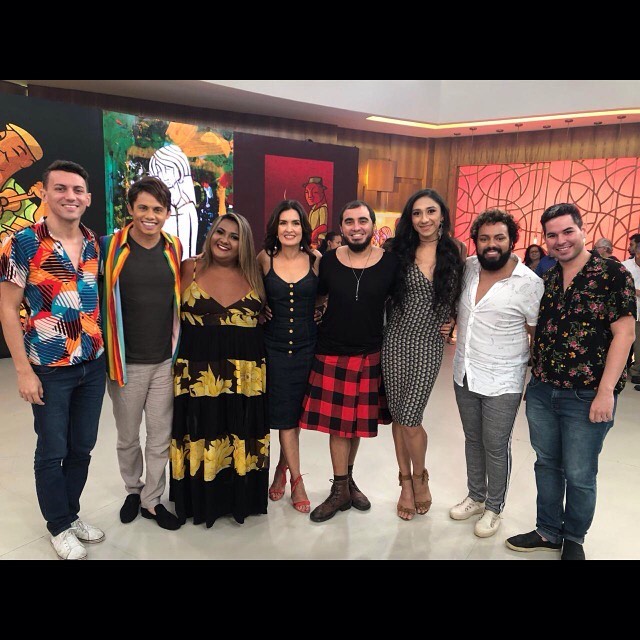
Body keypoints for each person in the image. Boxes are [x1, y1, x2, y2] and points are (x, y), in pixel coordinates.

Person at [506, 203, 636, 560]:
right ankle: (548, 531)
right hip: (543, 389)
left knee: (579, 473)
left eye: (568, 231)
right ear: (545, 239)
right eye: (552, 235)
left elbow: (624, 334)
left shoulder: (612, 273)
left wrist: (605, 392)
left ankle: (574, 538)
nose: (560, 240)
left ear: (582, 230)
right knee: (547, 463)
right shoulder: (547, 278)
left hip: (587, 394)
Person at [0, 160, 106, 560]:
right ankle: (59, 526)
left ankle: (70, 514)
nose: (69, 196)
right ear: (44, 193)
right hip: (49, 367)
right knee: (52, 449)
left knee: (83, 446)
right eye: (60, 188)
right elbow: (7, 308)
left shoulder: (94, 243)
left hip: (92, 363)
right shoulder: (22, 243)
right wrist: (23, 371)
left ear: (88, 198)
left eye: (77, 190)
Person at [299, 200, 398, 523]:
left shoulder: (390, 263)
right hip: (331, 350)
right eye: (349, 221)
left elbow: (404, 303)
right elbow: (316, 295)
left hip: (370, 352)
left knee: (354, 424)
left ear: (372, 225)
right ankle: (340, 487)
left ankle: (346, 481)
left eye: (362, 221)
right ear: (341, 227)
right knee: (339, 427)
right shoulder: (328, 261)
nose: (356, 227)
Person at [170, 212, 269, 527]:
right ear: (210, 233)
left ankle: (240, 498)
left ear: (244, 243)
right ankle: (199, 499)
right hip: (197, 373)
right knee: (201, 431)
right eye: (220, 232)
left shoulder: (256, 274)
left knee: (240, 433)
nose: (225, 240)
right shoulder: (189, 268)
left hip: (245, 376)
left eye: (235, 237)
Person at [449, 209, 544, 537]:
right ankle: (476, 496)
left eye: (499, 238)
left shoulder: (529, 283)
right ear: (475, 241)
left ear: (512, 240)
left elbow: (535, 334)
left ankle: (493, 507)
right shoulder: (469, 269)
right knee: (472, 439)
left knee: (495, 444)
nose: (491, 244)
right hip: (465, 372)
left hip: (504, 379)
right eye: (484, 238)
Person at [101, 177, 183, 530]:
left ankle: (152, 499)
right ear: (130, 209)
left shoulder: (173, 247)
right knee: (128, 437)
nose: (150, 216)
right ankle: (132, 491)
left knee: (160, 436)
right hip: (125, 363)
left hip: (164, 361)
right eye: (143, 208)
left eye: (158, 209)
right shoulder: (110, 247)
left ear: (166, 213)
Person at [381, 189, 463, 521]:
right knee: (398, 416)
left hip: (429, 343)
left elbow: (464, 296)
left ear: (442, 215)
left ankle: (420, 476)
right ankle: (404, 482)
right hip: (395, 340)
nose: (424, 219)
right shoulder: (397, 251)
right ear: (410, 219)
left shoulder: (456, 252)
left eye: (430, 211)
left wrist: (454, 320)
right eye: (417, 213)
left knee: (411, 417)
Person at [257, 200, 322, 514]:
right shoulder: (264, 259)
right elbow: (249, 291)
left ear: (303, 228)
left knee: (294, 416)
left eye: (295, 223)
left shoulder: (316, 259)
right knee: (284, 416)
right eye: (283, 223)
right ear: (275, 227)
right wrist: (259, 310)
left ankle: (281, 470)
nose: (289, 229)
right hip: (274, 349)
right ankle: (297, 480)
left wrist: (323, 308)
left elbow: (327, 293)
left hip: (308, 349)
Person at [149, 144, 199, 258]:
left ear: (179, 168)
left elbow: (189, 253)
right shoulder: (155, 207)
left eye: (168, 169)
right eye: (159, 170)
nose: (163, 175)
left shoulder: (187, 206)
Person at [621, 241, 640, 386]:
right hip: (626, 312)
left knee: (638, 346)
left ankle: (636, 372)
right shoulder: (624, 266)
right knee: (622, 343)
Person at [303, 176, 329, 247]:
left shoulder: (322, 208)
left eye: (315, 192)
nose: (310, 196)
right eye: (307, 192)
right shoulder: (313, 209)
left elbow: (324, 226)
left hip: (318, 241)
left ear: (322, 192)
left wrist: (315, 233)